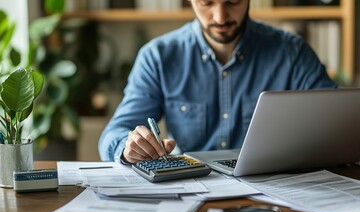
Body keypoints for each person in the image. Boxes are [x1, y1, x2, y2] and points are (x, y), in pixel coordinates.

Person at [99, 0, 337, 164]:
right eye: (207, 2)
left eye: (233, 1)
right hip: (190, 191)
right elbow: (112, 136)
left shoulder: (292, 53)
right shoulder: (159, 56)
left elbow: (337, 122)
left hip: (275, 191)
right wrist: (129, 147)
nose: (220, 17)